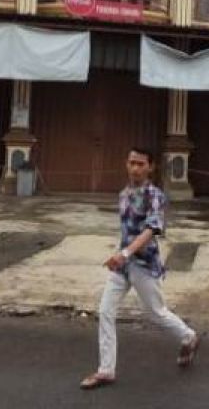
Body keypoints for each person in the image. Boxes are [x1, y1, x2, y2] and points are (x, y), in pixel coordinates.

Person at [80, 147, 200, 389]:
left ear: (150, 167)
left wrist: (125, 253)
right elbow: (126, 230)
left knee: (156, 313)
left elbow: (151, 230)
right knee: (105, 312)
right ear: (126, 164)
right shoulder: (124, 194)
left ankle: (188, 336)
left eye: (140, 164)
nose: (135, 168)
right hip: (122, 266)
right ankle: (106, 370)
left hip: (144, 264)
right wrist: (119, 255)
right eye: (132, 163)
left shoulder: (155, 196)